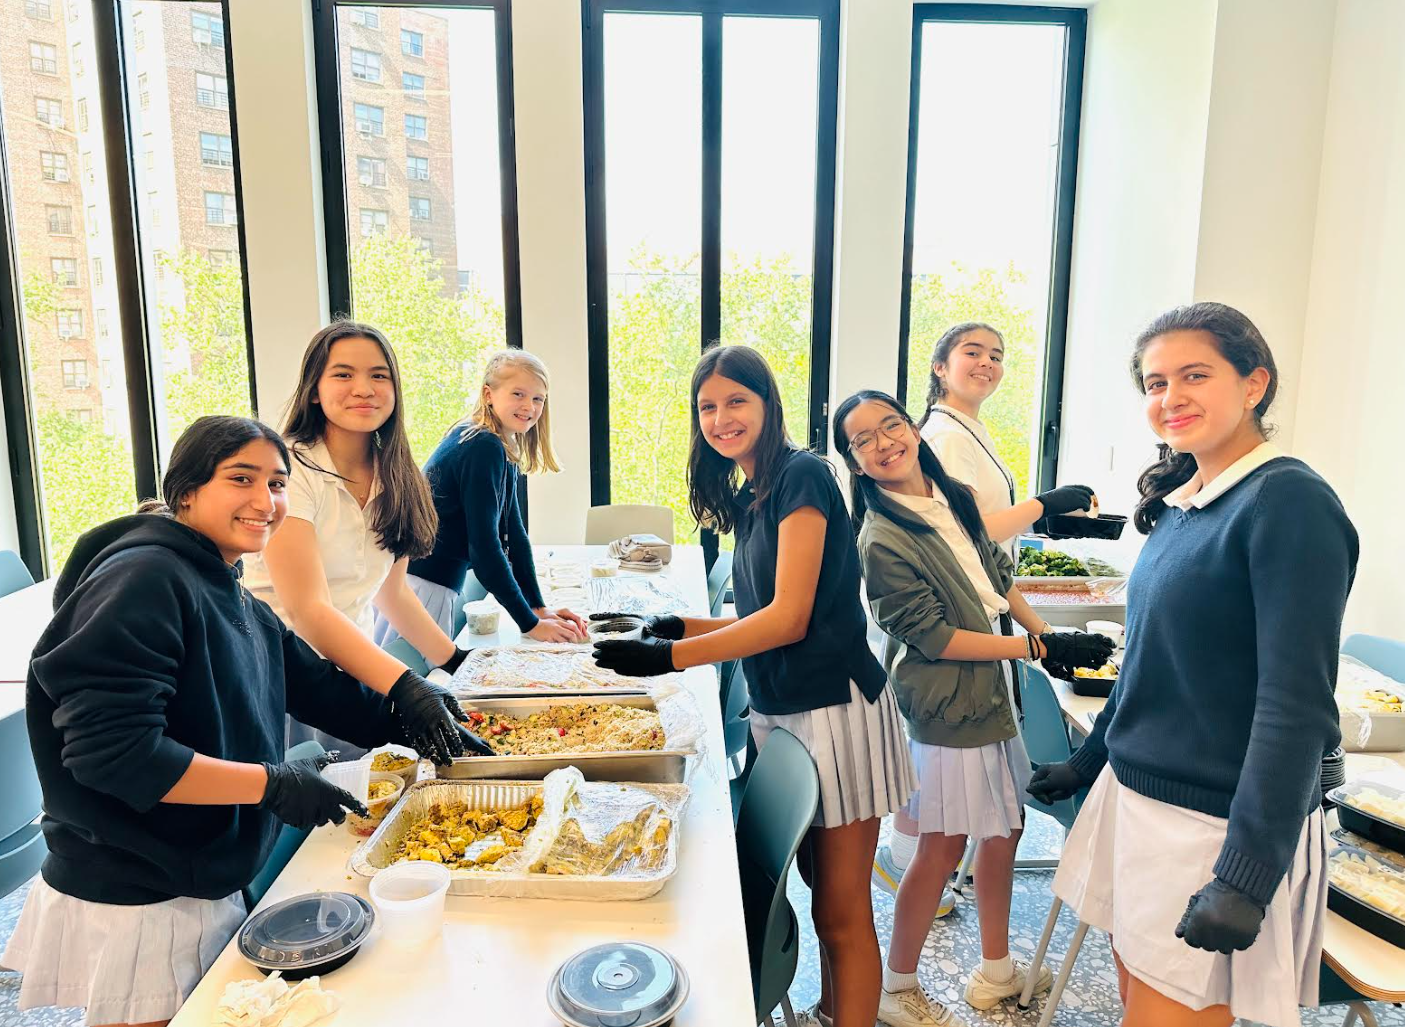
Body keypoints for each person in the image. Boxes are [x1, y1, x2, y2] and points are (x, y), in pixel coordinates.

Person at [0, 416, 478, 1027]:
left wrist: (414, 710)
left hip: (196, 860)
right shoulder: (143, 580)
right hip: (139, 879)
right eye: (242, 479)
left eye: (278, 484)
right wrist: (271, 784)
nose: (266, 501)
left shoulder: (226, 586)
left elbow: (318, 687)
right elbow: (115, 756)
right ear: (186, 492)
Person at [1027, 303, 1358, 1027]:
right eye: (1153, 382)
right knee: (1133, 1000)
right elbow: (1149, 660)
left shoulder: (1288, 503)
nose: (1168, 396)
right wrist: (1086, 762)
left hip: (1210, 826)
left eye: (1193, 374)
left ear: (1253, 383)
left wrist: (1243, 875)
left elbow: (1293, 708)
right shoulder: (1186, 503)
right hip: (1139, 799)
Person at [590, 346, 916, 1027]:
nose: (720, 416)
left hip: (834, 708)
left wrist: (672, 654)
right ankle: (833, 1009)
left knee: (840, 908)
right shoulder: (753, 493)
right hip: (778, 706)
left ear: (767, 404)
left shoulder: (803, 475)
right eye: (706, 406)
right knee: (810, 884)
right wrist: (678, 621)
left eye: (735, 400)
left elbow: (790, 617)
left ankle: (848, 1013)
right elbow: (758, 610)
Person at [836, 390, 1112, 1024]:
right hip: (948, 704)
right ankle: (896, 987)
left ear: (911, 425)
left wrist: (1045, 639)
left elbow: (997, 578)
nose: (884, 443)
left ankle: (994, 971)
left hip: (991, 692)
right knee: (941, 845)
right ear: (854, 462)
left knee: (1005, 828)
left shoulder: (948, 494)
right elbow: (932, 637)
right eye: (864, 440)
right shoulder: (880, 538)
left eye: (891, 425)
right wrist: (1035, 643)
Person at [876, 321, 1099, 898]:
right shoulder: (945, 438)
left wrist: (1041, 520)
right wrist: (1041, 504)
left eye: (996, 355)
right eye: (972, 352)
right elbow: (967, 531)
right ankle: (912, 871)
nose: (987, 363)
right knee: (941, 779)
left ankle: (914, 867)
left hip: (986, 601)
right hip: (960, 617)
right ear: (939, 366)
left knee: (939, 781)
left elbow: (985, 532)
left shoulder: (972, 429)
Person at [243, 320, 486, 761]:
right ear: (314, 390)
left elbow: (391, 594)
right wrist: (406, 684)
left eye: (379, 375)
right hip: (278, 679)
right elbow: (308, 610)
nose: (364, 388)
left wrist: (456, 662)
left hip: (349, 673)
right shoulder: (288, 471)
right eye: (343, 374)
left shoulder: (395, 474)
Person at [377, 349, 585, 647]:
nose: (529, 406)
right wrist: (529, 624)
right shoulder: (483, 446)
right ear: (489, 394)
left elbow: (514, 533)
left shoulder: (495, 439)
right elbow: (485, 548)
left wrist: (537, 608)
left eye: (538, 398)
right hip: (423, 589)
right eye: (518, 394)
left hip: (425, 583)